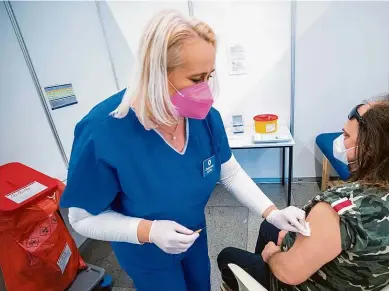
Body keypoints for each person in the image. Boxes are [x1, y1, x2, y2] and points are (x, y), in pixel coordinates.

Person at [60, 10, 309, 291]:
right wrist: (148, 231)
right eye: (195, 79)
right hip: (145, 251)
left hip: (193, 236)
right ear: (154, 73)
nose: (206, 90)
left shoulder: (204, 118)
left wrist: (271, 212)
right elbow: (82, 218)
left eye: (209, 76)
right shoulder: (103, 131)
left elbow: (230, 173)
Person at [217, 94, 389, 291]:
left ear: (370, 148)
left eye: (346, 135)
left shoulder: (338, 208)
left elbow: (289, 273)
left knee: (227, 257)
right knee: (268, 226)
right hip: (361, 277)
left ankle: (261, 282)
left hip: (306, 283)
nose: (340, 141)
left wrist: (272, 254)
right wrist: (289, 239)